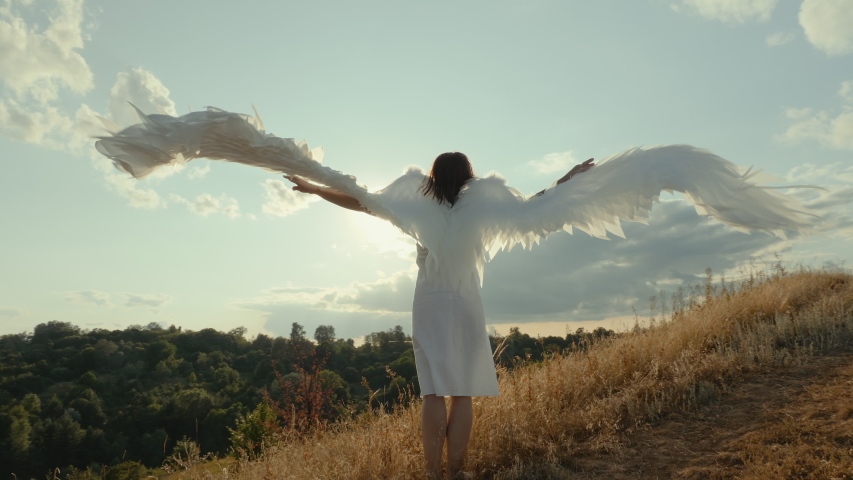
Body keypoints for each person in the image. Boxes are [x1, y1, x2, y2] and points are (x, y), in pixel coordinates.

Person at [284, 153, 594, 480]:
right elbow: (530, 206)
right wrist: (566, 180)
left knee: (432, 391)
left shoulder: (419, 205)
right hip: (464, 299)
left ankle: (432, 474)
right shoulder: (480, 206)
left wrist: (316, 190)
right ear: (468, 175)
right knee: (462, 391)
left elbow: (363, 203)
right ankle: (455, 472)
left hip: (429, 301)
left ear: (433, 175)